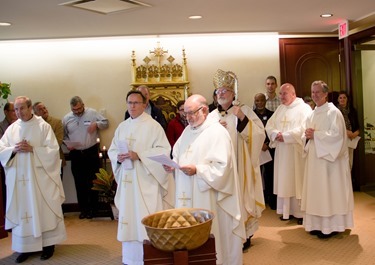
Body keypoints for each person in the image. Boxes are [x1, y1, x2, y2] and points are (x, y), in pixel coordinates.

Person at [164, 94, 246, 265]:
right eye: (185, 114)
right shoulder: (187, 131)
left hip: (208, 195)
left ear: (205, 110)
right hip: (186, 189)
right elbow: (178, 153)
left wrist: (198, 170)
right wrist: (173, 165)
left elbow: (223, 167)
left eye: (192, 113)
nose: (188, 118)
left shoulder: (217, 132)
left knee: (211, 232)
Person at [108, 90, 173, 265]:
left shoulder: (153, 126)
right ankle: (131, 258)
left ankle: (150, 257)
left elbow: (163, 150)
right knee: (129, 218)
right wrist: (118, 158)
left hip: (146, 182)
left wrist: (140, 155)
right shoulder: (122, 126)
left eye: (136, 103)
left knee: (145, 218)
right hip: (128, 181)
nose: (132, 106)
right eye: (129, 102)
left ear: (145, 104)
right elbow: (113, 149)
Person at [0, 96, 66, 263]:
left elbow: (53, 150)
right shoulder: (12, 129)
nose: (18, 112)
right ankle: (25, 248)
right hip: (19, 180)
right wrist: (13, 150)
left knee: (42, 209)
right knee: (24, 211)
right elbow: (2, 149)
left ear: (30, 108)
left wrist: (33, 150)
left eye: (22, 108)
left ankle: (48, 245)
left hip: (40, 180)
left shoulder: (43, 127)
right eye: (16, 109)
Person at [208, 69, 265, 252]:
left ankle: (245, 234)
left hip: (240, 167)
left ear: (233, 93)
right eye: (218, 91)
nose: (221, 94)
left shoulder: (245, 111)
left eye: (225, 90)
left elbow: (259, 135)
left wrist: (241, 118)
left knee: (241, 198)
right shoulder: (211, 117)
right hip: (220, 170)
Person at [302, 80, 354, 239]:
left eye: (318, 92)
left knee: (328, 191)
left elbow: (338, 136)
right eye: (312, 92)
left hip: (329, 163)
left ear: (325, 93)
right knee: (317, 191)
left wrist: (315, 135)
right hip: (314, 161)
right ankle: (317, 224)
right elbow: (307, 134)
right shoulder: (312, 112)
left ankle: (331, 226)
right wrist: (307, 135)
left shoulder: (333, 112)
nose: (314, 95)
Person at [265, 83, 312, 223]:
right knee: (285, 181)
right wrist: (275, 134)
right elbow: (269, 125)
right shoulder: (280, 108)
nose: (281, 96)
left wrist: (285, 136)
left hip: (295, 152)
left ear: (293, 93)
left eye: (284, 93)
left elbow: (305, 128)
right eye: (280, 94)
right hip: (282, 151)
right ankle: (287, 211)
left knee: (298, 180)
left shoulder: (304, 109)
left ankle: (301, 213)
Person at [63, 96, 109, 219]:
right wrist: (68, 144)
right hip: (76, 154)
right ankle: (84, 210)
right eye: (74, 110)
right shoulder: (67, 118)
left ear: (83, 105)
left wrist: (96, 124)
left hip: (91, 152)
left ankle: (94, 209)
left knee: (93, 181)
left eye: (79, 108)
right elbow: (64, 136)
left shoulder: (92, 112)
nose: (77, 111)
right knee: (79, 183)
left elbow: (106, 123)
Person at [253, 93, 276, 210]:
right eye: (257, 101)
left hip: (269, 148)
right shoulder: (251, 116)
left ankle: (271, 199)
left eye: (261, 100)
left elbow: (273, 130)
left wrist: (267, 143)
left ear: (265, 101)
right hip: (256, 149)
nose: (259, 103)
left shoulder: (272, 115)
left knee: (270, 174)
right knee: (256, 175)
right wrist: (259, 144)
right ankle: (259, 200)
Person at [33, 102, 66, 178]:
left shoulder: (57, 122)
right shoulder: (33, 125)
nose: (44, 110)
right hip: (39, 162)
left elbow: (58, 142)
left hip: (55, 160)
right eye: (40, 109)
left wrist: (40, 149)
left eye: (44, 108)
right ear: (35, 113)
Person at [0, 102, 17, 215]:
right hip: (5, 165)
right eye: (13, 110)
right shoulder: (1, 127)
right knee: (7, 193)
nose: (16, 113)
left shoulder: (19, 125)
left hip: (19, 164)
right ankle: (9, 217)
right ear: (5, 112)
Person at [336, 91, 360, 169]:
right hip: (339, 140)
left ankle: (348, 180)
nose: (342, 99)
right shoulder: (335, 111)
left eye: (344, 97)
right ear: (338, 100)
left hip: (351, 140)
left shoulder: (352, 111)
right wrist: (345, 132)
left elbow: (357, 126)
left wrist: (354, 134)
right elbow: (334, 127)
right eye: (340, 98)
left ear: (347, 99)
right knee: (341, 163)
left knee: (349, 163)